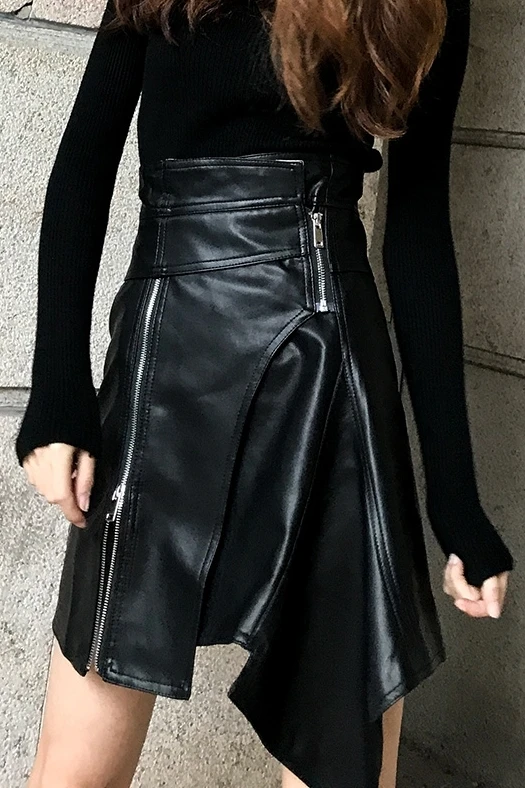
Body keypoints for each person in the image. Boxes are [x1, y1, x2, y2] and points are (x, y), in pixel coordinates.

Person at [15, 0, 513, 786]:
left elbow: (418, 229)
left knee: (342, 751)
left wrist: (455, 500)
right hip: (168, 351)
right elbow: (84, 159)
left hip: (331, 358)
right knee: (75, 763)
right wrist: (57, 397)